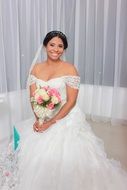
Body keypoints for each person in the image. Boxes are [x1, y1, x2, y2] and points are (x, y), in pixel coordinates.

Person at [2, 31, 127, 190]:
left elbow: (71, 101)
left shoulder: (70, 69)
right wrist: (39, 119)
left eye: (60, 46)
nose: (56, 49)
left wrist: (50, 123)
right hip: (44, 116)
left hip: (66, 117)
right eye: (52, 45)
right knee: (29, 149)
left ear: (64, 49)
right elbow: (34, 98)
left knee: (62, 152)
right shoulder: (36, 69)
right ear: (45, 46)